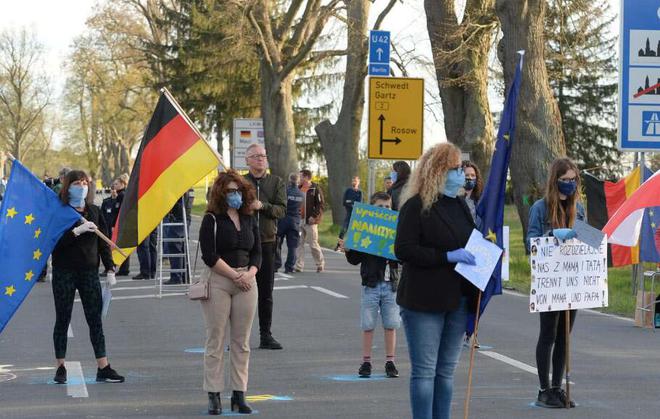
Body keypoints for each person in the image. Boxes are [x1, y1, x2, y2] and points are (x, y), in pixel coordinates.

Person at [394, 143, 479, 419]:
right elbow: (404, 250)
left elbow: (470, 240)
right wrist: (446, 256)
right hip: (423, 300)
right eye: (455, 169)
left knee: (446, 372)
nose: (461, 175)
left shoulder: (459, 204)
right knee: (425, 372)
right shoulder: (416, 205)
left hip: (458, 299)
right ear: (439, 171)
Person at [51, 170, 124, 385]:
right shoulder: (60, 212)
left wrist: (110, 268)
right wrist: (77, 231)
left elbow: (103, 242)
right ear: (67, 186)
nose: (81, 186)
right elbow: (54, 243)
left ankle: (103, 366)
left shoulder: (94, 210)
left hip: (89, 272)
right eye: (76, 182)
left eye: (84, 182)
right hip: (65, 271)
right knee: (63, 319)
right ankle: (60, 366)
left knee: (95, 319)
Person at [200, 170, 261, 415]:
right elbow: (209, 255)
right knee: (216, 339)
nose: (234, 195)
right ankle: (214, 394)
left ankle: (239, 393)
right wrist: (234, 275)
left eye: (237, 191)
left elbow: (257, 251)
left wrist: (250, 273)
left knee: (241, 341)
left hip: (247, 281)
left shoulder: (249, 218)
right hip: (220, 280)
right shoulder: (211, 219)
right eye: (229, 191)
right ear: (220, 194)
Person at [527, 157, 584, 409]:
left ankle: (557, 387)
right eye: (565, 180)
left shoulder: (578, 208)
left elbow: (587, 239)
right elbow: (530, 242)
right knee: (548, 334)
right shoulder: (541, 208)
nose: (569, 184)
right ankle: (543, 389)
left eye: (573, 180)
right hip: (550, 282)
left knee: (565, 336)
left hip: (572, 280)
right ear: (555, 181)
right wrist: (551, 236)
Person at [343, 192, 400, 379]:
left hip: (390, 284)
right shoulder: (366, 233)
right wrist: (349, 249)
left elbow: (403, 256)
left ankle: (390, 361)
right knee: (368, 324)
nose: (384, 211)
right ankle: (366, 362)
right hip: (371, 283)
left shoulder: (395, 231)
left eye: (387, 207)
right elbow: (355, 259)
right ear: (371, 210)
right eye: (379, 207)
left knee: (391, 324)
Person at [243, 144, 287, 350]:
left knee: (265, 291)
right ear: (247, 160)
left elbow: (282, 209)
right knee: (240, 291)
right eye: (256, 156)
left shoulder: (276, 181)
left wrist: (263, 206)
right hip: (243, 245)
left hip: (267, 242)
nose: (260, 159)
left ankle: (265, 335)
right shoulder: (241, 181)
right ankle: (238, 337)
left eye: (263, 156)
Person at [295, 169, 325, 273]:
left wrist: (314, 216)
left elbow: (320, 205)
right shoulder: (298, 188)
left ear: (307, 177)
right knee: (299, 243)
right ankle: (299, 266)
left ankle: (320, 264)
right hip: (299, 220)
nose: (300, 179)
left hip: (311, 221)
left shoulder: (315, 189)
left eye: (301, 177)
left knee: (313, 244)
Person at [275, 172, 304, 274]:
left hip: (283, 219)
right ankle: (289, 267)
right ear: (298, 181)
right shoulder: (301, 194)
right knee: (292, 246)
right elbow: (301, 208)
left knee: (277, 243)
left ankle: (276, 264)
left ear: (289, 179)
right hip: (295, 221)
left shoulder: (285, 191)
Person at [163, 190, 194, 285]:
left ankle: (176, 276)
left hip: (179, 219)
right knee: (182, 248)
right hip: (184, 218)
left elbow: (179, 207)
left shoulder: (182, 189)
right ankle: (184, 276)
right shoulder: (190, 189)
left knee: (174, 246)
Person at [336, 176, 363, 248]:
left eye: (355, 181)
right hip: (349, 213)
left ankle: (354, 247)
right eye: (353, 181)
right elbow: (344, 202)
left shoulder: (360, 192)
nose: (354, 182)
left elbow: (359, 203)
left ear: (358, 182)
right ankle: (338, 245)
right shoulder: (348, 190)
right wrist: (352, 203)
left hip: (356, 215)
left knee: (356, 232)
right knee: (343, 230)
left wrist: (351, 202)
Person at [461, 160, 483, 226]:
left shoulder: (481, 199)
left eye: (473, 175)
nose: (470, 178)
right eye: (466, 175)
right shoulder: (456, 199)